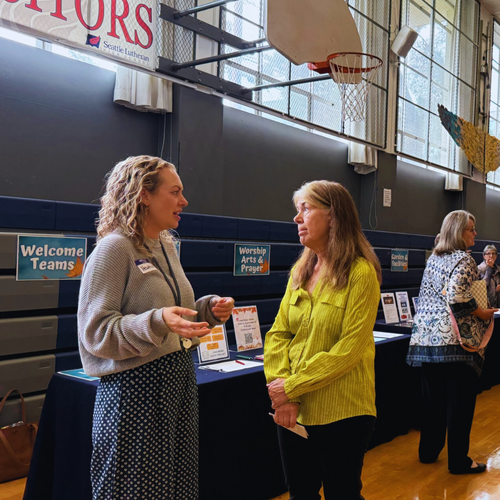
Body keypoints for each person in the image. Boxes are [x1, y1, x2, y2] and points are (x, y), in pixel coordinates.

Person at [77, 155, 234, 500]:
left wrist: (207, 311)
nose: (184, 201)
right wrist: (158, 320)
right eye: (175, 192)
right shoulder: (113, 249)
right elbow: (96, 333)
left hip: (179, 381)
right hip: (135, 392)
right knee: (134, 490)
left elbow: (172, 312)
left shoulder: (166, 245)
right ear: (144, 195)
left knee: (177, 487)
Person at [264, 180, 382, 500]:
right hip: (294, 409)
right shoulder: (300, 272)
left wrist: (291, 387)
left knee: (342, 492)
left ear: (333, 216)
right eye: (297, 210)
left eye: (305, 208)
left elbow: (349, 349)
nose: (296, 218)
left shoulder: (360, 273)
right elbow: (278, 334)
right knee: (300, 493)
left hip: (344, 410)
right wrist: (283, 394)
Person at [407, 210, 497, 475]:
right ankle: (458, 462)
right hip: (455, 342)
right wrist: (481, 313)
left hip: (425, 340)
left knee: (432, 402)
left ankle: (428, 452)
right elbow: (457, 297)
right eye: (471, 229)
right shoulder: (464, 259)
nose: (475, 233)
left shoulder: (434, 258)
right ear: (458, 232)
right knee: (460, 404)